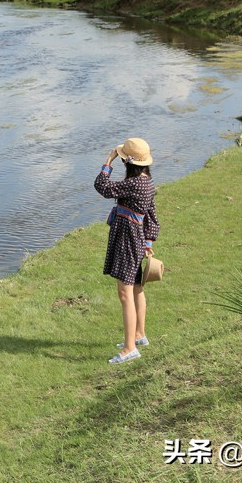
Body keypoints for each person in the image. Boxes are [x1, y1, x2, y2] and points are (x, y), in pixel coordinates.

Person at [94, 137, 160, 364]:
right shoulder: (147, 182)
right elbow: (151, 214)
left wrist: (108, 161)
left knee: (125, 292)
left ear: (128, 162)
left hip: (127, 238)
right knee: (137, 287)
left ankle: (130, 348)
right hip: (136, 238)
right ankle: (139, 335)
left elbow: (102, 187)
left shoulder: (134, 184)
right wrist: (149, 241)